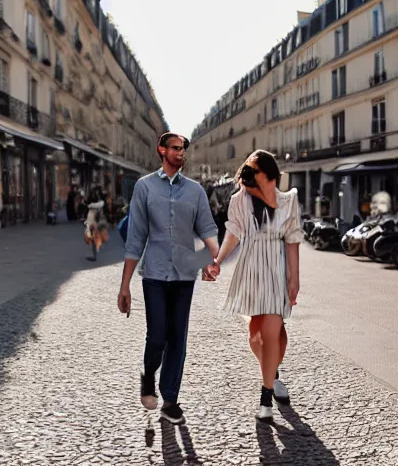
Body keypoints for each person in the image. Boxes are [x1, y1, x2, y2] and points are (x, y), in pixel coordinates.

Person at [117, 132, 219, 425]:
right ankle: (148, 375)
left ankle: (170, 398)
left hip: (185, 275)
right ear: (162, 150)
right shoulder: (145, 187)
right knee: (157, 335)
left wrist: (213, 259)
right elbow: (135, 238)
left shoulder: (196, 191)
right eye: (175, 149)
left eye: (184, 149)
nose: (181, 154)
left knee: (178, 339)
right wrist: (124, 286)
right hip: (155, 274)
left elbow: (208, 229)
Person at [204, 150, 302, 424]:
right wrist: (218, 260)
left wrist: (295, 279)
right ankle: (275, 375)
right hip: (251, 269)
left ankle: (266, 396)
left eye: (254, 170)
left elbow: (292, 242)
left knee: (274, 330)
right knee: (256, 334)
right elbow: (233, 234)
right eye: (247, 170)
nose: (248, 175)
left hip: (277, 269)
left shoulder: (288, 201)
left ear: (269, 174)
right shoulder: (239, 200)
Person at [84, 190, 109, 261]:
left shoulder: (93, 207)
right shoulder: (100, 203)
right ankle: (95, 254)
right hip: (96, 223)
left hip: (94, 223)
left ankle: (94, 255)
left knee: (94, 238)